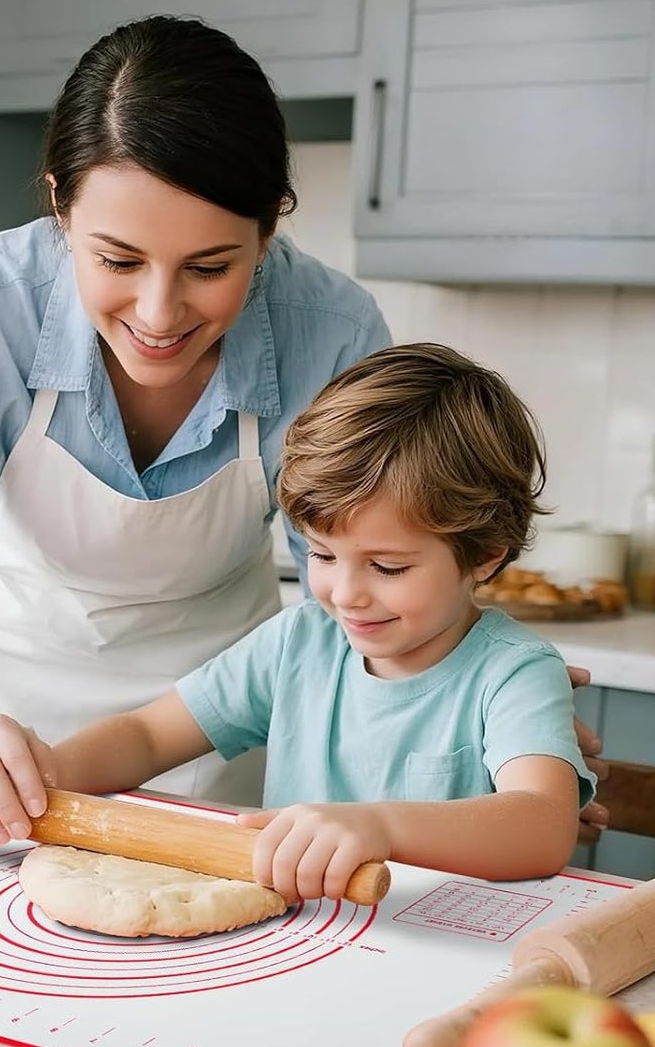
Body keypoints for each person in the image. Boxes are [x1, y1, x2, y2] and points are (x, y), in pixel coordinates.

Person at [0, 15, 608, 844]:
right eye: (117, 261)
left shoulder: (329, 328)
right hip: (4, 741)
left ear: (271, 224)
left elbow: (348, 591)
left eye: (210, 267)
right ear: (60, 203)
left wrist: (465, 715)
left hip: (223, 741)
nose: (158, 315)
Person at [40, 344, 595, 904]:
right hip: (293, 939)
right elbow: (149, 735)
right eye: (322, 555)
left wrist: (381, 828)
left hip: (444, 946)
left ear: (485, 556)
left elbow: (542, 826)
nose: (346, 593)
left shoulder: (513, 671)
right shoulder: (298, 643)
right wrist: (44, 774)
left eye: (387, 566)